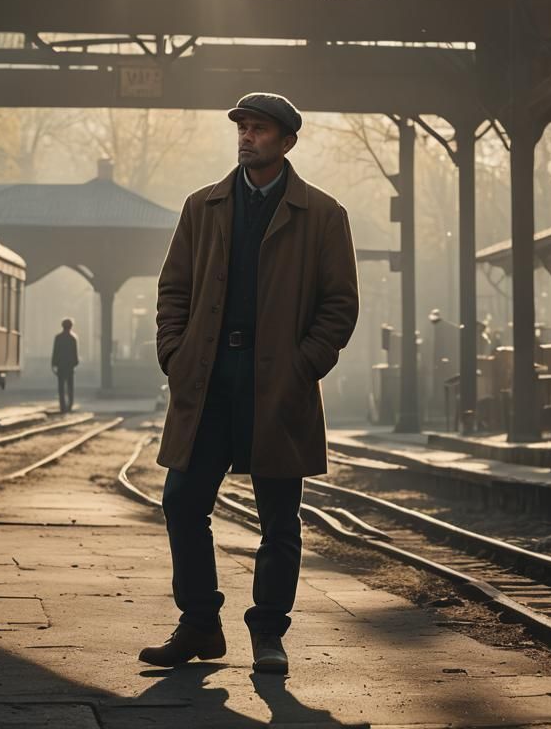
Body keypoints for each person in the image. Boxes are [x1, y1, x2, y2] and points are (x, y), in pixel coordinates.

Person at [140, 92, 359, 675]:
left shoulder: (323, 214)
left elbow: (339, 305)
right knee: (183, 501)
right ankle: (199, 624)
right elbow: (174, 288)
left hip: (278, 385)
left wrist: (303, 363)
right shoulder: (202, 206)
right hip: (208, 377)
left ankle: (268, 634)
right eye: (241, 128)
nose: (246, 137)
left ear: (286, 141)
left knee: (279, 519)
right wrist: (174, 352)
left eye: (259, 129)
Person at [51, 318, 79, 413]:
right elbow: (75, 353)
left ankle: (62, 406)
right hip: (69, 366)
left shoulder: (58, 338)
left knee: (61, 387)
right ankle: (70, 405)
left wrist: (53, 364)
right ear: (71, 326)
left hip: (61, 366)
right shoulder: (73, 338)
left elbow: (55, 352)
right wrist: (75, 363)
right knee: (70, 386)